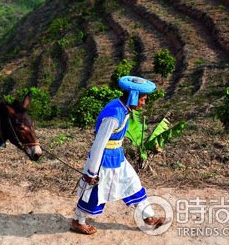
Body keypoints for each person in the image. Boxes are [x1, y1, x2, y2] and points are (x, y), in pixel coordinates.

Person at [70, 76, 165, 235]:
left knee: (133, 182)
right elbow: (99, 143)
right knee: (94, 192)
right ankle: (78, 221)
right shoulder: (114, 115)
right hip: (104, 160)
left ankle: (148, 217)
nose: (143, 103)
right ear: (134, 97)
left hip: (117, 156)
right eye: (142, 99)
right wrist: (92, 171)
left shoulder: (123, 108)